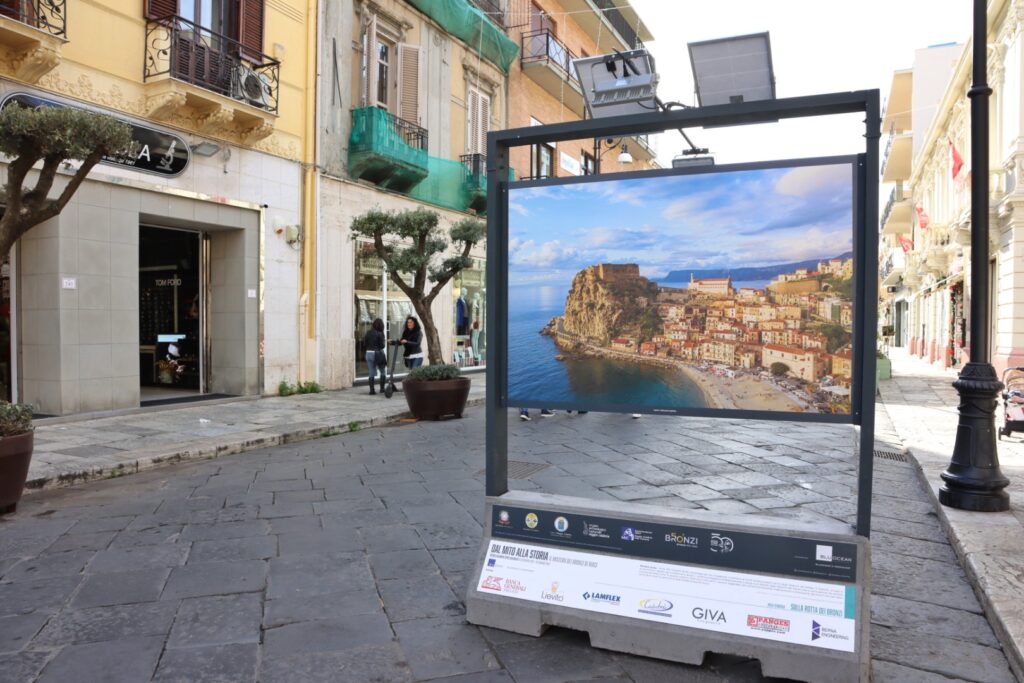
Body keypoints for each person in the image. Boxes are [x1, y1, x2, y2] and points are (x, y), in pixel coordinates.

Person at [363, 318, 387, 394]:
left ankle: (372, 390)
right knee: (382, 371)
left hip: (369, 353)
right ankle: (382, 389)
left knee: (371, 372)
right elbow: (382, 346)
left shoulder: (368, 332)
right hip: (378, 353)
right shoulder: (380, 333)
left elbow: (364, 344)